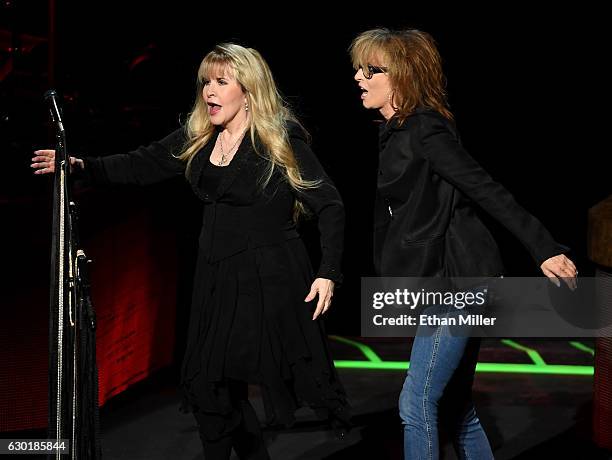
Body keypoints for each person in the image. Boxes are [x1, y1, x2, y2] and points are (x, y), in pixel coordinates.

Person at [32, 43, 350, 459]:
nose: (209, 92)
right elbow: (142, 163)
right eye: (205, 82)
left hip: (266, 279)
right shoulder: (200, 136)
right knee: (209, 390)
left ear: (249, 90)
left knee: (216, 385)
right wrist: (81, 166)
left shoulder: (278, 140)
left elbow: (330, 204)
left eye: (221, 82)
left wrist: (328, 271)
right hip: (215, 279)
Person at [349, 28, 577, 459]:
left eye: (372, 70)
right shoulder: (396, 131)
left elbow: (484, 188)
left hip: (457, 283)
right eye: (358, 69)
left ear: (402, 77)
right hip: (445, 280)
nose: (359, 78)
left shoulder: (426, 130)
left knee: (415, 404)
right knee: (456, 405)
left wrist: (543, 246)